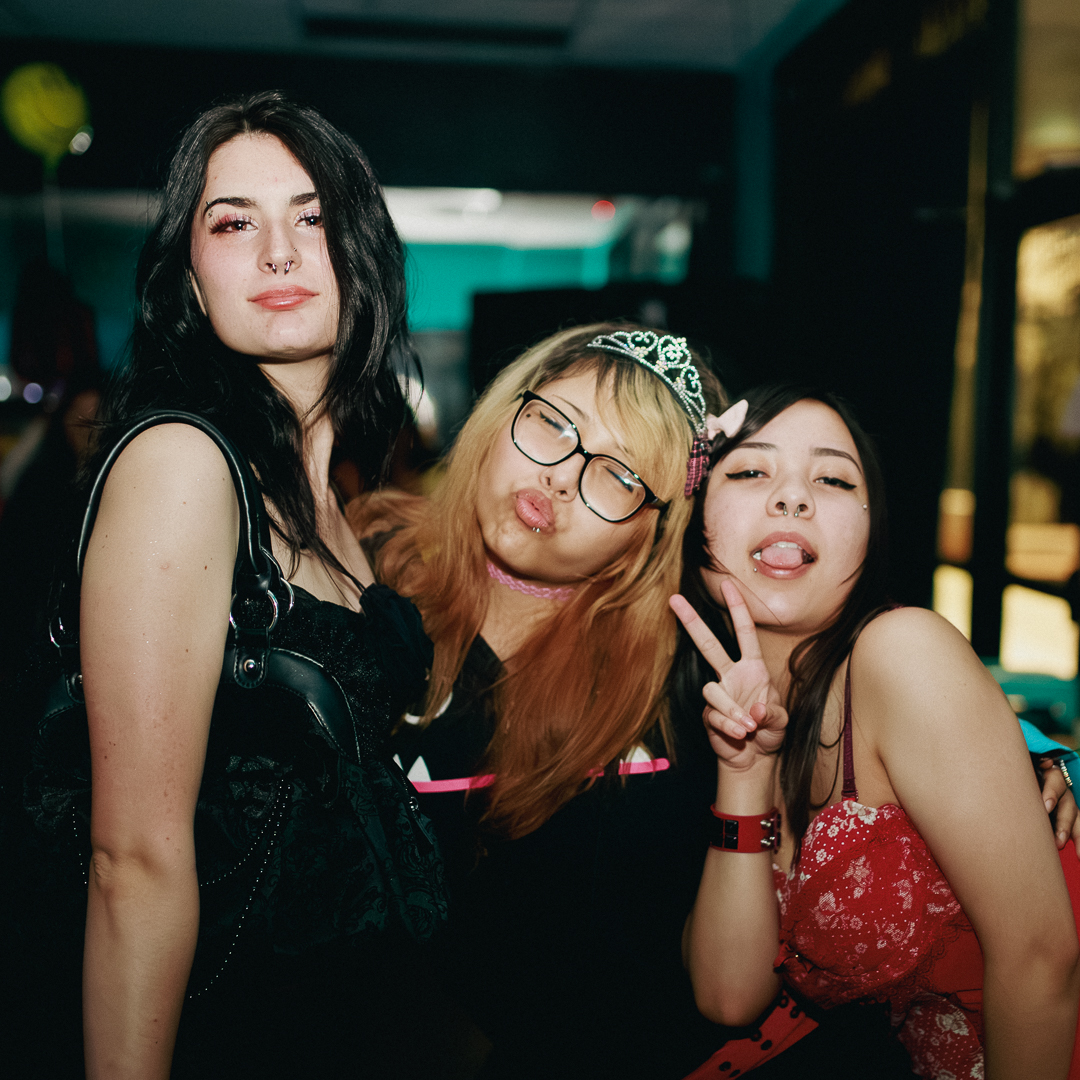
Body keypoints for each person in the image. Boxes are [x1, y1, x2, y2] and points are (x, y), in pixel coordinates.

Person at [3, 91, 446, 1079]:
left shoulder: (328, 500)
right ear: (192, 282)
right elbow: (134, 862)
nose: (278, 253)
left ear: (364, 255)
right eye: (234, 223)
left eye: (312, 217)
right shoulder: (182, 463)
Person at [348, 324, 745, 1078]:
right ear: (505, 410)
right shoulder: (355, 580)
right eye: (555, 424)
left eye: (620, 475)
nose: (562, 477)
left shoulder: (688, 674)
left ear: (649, 534)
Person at [672, 384, 1080, 1078]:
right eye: (750, 470)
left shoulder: (903, 652)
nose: (793, 498)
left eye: (833, 480)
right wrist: (745, 771)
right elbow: (729, 995)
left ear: (871, 533)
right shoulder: (716, 717)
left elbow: (1042, 959)